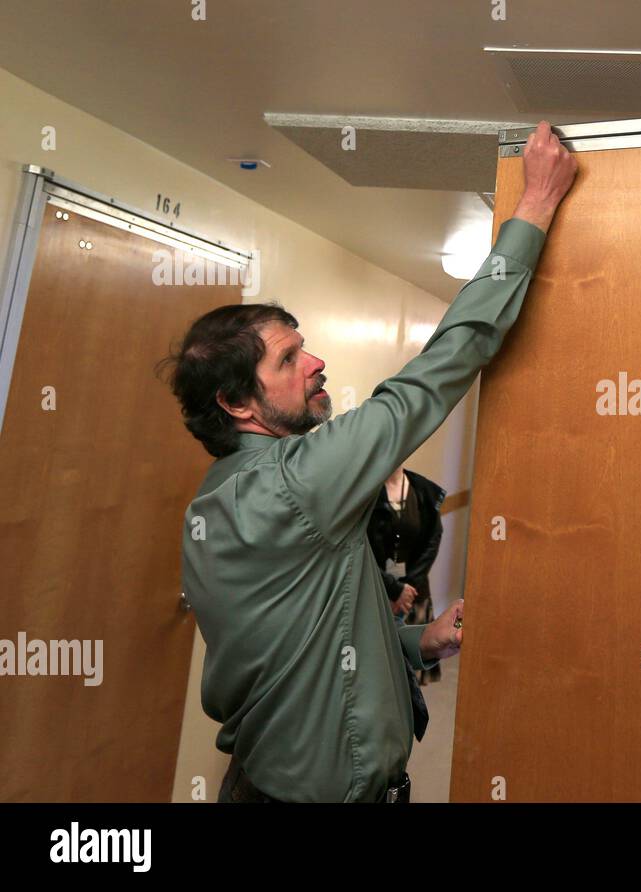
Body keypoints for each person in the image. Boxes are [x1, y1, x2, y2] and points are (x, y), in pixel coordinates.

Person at [165, 122, 577, 802]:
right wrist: (532, 210)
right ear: (239, 403)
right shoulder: (297, 482)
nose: (317, 362)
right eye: (290, 359)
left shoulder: (216, 501)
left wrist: (417, 642)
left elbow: (309, 635)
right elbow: (440, 368)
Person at [368, 463, 448, 684]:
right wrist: (394, 589)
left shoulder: (424, 491)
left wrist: (408, 588)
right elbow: (360, 547)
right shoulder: (366, 492)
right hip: (375, 590)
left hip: (415, 593)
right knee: (379, 669)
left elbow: (432, 542)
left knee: (411, 670)